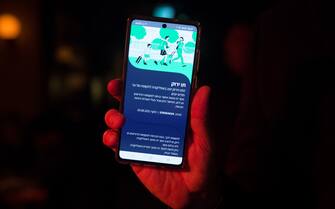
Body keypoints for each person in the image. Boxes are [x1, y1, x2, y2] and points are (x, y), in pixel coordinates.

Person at [103, 0, 335, 208]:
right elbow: (257, 171)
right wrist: (206, 197)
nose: (230, 48)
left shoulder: (285, 27)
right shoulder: (284, 26)